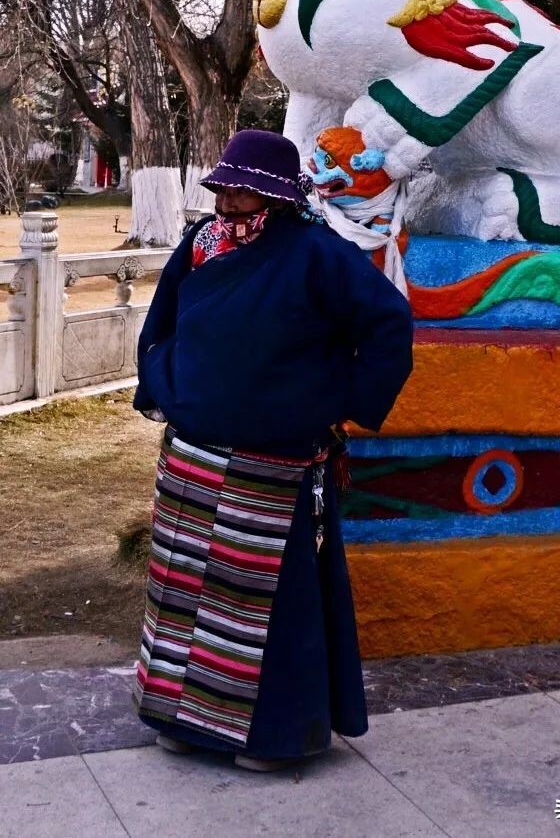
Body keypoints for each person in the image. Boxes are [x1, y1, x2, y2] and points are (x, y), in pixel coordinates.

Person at [132, 129, 414, 771]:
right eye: (224, 189)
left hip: (274, 468)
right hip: (193, 459)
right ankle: (183, 721)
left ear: (277, 197)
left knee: (259, 604)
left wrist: (342, 399)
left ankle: (272, 737)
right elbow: (163, 320)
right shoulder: (200, 246)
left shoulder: (318, 254)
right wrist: (163, 378)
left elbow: (389, 325)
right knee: (182, 591)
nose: (229, 203)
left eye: (244, 192)